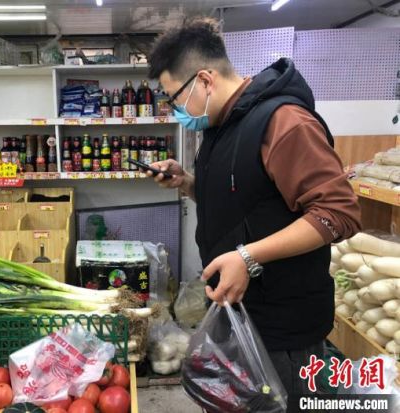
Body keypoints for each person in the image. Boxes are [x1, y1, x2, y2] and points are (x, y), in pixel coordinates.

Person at [146, 17, 362, 402]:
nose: (173, 109)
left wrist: (248, 257)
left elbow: (339, 212)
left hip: (283, 333)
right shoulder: (221, 128)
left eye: (174, 98)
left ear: (205, 81)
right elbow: (244, 203)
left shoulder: (284, 123)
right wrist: (187, 182)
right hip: (239, 315)